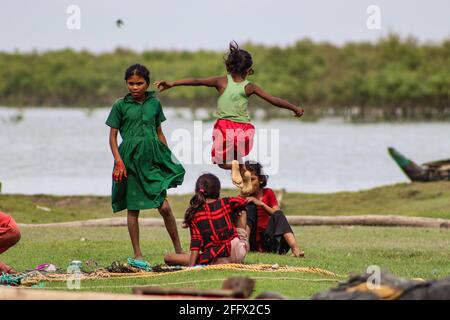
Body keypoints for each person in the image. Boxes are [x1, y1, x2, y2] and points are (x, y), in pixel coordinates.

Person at [154, 41, 304, 195]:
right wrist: (294, 108)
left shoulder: (221, 81)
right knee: (239, 158)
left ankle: (235, 166)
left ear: (228, 67)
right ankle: (243, 172)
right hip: (244, 129)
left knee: (220, 162)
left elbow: (196, 81)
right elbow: (274, 100)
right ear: (248, 70)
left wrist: (172, 83)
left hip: (225, 127)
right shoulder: (250, 86)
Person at [106, 64, 185, 259]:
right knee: (133, 209)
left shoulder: (155, 104)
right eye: (131, 83)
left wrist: (166, 156)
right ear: (126, 84)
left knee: (164, 207)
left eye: (139, 83)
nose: (135, 87)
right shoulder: (120, 105)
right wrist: (118, 161)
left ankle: (179, 250)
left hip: (151, 158)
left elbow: (159, 132)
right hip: (129, 160)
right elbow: (112, 137)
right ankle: (138, 254)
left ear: (147, 83)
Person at [164, 173, 249, 266]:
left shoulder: (195, 214)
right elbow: (243, 202)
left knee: (168, 258)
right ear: (218, 191)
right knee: (242, 210)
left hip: (216, 257)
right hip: (238, 250)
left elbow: (196, 244)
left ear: (197, 191)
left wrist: (191, 266)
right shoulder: (226, 202)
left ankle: (222, 261)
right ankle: (241, 245)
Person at [244, 161, 304, 257]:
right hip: (252, 240)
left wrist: (261, 204)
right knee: (250, 206)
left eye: (252, 179)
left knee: (278, 213)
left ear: (260, 179)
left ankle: (295, 249)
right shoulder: (243, 198)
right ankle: (244, 247)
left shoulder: (268, 193)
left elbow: (276, 213)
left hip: (269, 240)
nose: (249, 183)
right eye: (245, 180)